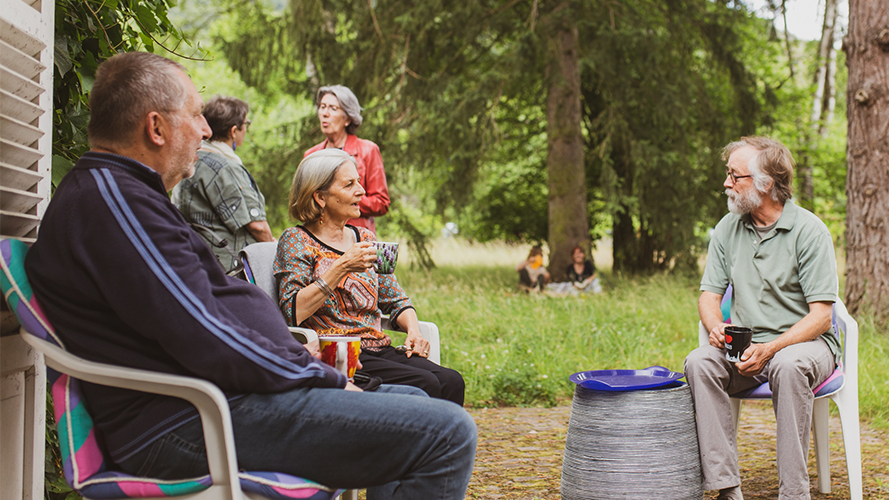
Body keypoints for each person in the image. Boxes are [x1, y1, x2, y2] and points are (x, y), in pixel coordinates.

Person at [23, 51, 475, 499]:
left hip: (216, 401)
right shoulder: (117, 206)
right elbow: (204, 331)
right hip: (187, 421)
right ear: (156, 128)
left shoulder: (124, 197)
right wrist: (322, 376)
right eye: (196, 115)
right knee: (448, 432)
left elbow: (197, 315)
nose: (205, 130)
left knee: (415, 405)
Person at [684, 136, 840, 500]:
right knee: (699, 362)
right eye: (728, 174)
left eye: (734, 176)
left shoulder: (810, 231)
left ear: (766, 183)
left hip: (805, 345)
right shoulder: (727, 228)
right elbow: (709, 296)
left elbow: (821, 317)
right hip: (745, 349)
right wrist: (716, 327)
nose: (726, 183)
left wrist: (770, 349)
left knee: (788, 365)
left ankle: (794, 494)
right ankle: (726, 487)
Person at [275, 149, 465, 405]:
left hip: (378, 347)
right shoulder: (296, 240)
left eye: (359, 182)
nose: (361, 191)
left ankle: (444, 433)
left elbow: (396, 300)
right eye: (349, 184)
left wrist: (414, 331)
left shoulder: (365, 238)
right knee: (426, 383)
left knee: (452, 381)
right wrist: (342, 266)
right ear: (320, 197)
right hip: (339, 354)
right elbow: (292, 311)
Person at [172, 95, 274, 272]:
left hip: (194, 260)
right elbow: (257, 226)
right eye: (246, 124)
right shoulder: (225, 168)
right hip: (228, 269)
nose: (246, 129)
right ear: (233, 131)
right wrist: (273, 249)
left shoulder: (191, 160)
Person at [304, 85, 390, 233]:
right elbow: (304, 201)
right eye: (322, 107)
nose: (325, 113)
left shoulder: (368, 150)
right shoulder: (311, 155)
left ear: (348, 119)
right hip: (318, 237)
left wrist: (343, 200)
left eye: (333, 108)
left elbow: (381, 203)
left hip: (356, 236)